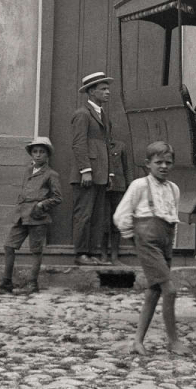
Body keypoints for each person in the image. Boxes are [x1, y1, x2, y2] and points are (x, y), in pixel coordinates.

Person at [114, 141, 193, 356]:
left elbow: (172, 221)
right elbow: (120, 216)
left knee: (154, 291)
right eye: (159, 162)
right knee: (170, 290)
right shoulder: (139, 186)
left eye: (168, 162)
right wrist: (137, 242)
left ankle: (137, 342)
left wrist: (171, 247)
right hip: (147, 241)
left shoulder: (173, 189)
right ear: (148, 164)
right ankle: (173, 341)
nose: (164, 166)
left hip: (165, 243)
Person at [0, 137, 62, 294]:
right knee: (9, 246)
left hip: (38, 217)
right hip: (22, 216)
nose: (38, 155)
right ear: (31, 154)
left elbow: (58, 198)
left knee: (36, 250)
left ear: (47, 155)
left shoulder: (51, 174)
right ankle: (6, 282)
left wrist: (41, 205)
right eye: (35, 152)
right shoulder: (28, 171)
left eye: (42, 152)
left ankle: (32, 284)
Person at [70, 72, 119, 266]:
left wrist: (110, 173)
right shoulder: (82, 114)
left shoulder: (102, 114)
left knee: (97, 216)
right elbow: (78, 144)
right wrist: (85, 170)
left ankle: (91, 254)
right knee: (84, 214)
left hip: (100, 174)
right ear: (91, 91)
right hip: (87, 174)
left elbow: (107, 145)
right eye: (103, 89)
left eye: (108, 88)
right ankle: (81, 254)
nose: (108, 92)